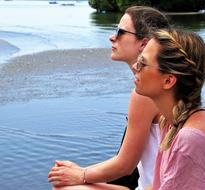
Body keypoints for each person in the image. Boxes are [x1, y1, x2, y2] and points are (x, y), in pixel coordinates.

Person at [48, 6, 170, 190]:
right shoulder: (166, 83)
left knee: (65, 187)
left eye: (120, 32)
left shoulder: (146, 94)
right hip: (153, 184)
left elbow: (125, 165)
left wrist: (81, 175)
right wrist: (81, 172)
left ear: (143, 44)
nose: (112, 37)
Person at [132, 29, 205, 189]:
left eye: (142, 63)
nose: (134, 67)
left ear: (168, 80)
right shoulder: (172, 121)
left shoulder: (189, 139)